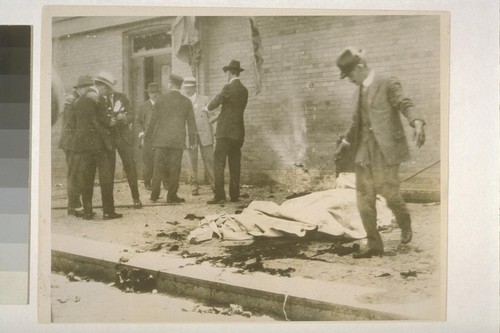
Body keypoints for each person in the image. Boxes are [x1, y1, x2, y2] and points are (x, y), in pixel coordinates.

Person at [334, 47, 426, 259]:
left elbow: (405, 103)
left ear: (360, 68)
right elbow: (357, 122)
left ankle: (405, 222)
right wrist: (346, 142)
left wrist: (417, 122)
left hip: (386, 151)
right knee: (363, 200)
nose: (348, 80)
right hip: (363, 153)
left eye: (349, 75)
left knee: (390, 195)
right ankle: (374, 245)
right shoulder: (357, 92)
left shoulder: (387, 82)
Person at [72, 79, 122, 220]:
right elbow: (103, 120)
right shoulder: (97, 98)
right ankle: (108, 212)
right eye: (107, 90)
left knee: (86, 179)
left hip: (83, 146)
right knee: (106, 179)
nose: (107, 93)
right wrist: (111, 122)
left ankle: (88, 212)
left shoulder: (78, 100)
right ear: (101, 86)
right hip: (99, 145)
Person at [144, 74, 197, 204]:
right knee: (175, 168)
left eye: (168, 83)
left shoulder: (161, 100)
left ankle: (154, 195)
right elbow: (191, 123)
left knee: (158, 168)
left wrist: (148, 138)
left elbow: (152, 121)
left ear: (171, 84)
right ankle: (172, 196)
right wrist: (193, 141)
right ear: (179, 86)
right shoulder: (186, 101)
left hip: (160, 141)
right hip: (177, 141)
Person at [94, 71, 142, 209]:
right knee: (109, 170)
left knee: (130, 167)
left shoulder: (122, 97)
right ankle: (110, 204)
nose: (105, 91)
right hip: (108, 140)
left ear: (109, 87)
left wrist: (124, 119)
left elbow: (132, 114)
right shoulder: (99, 99)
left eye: (105, 87)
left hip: (123, 138)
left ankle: (136, 197)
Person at [204, 60, 249, 204]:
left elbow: (215, 102)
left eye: (226, 74)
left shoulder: (228, 87)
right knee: (235, 164)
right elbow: (232, 110)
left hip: (224, 133)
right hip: (238, 133)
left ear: (229, 73)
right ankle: (234, 195)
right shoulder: (244, 90)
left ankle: (219, 195)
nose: (226, 76)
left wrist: (207, 108)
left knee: (219, 163)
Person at [58, 75, 93, 217]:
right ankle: (74, 206)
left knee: (77, 174)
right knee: (74, 175)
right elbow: (70, 125)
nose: (88, 91)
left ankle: (73, 205)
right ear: (81, 88)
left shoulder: (77, 99)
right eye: (86, 88)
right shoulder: (71, 100)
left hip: (75, 143)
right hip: (71, 144)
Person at [182, 76, 215, 196]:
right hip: (190, 135)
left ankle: (214, 184)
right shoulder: (183, 101)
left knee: (209, 159)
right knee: (191, 161)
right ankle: (194, 185)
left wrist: (212, 129)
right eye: (185, 88)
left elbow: (213, 116)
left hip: (205, 134)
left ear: (195, 87)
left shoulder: (205, 99)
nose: (187, 91)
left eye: (189, 88)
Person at [135, 82, 167, 191]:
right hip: (147, 138)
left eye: (156, 92)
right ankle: (147, 182)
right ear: (149, 94)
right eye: (152, 93)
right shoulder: (143, 106)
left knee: (163, 160)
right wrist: (141, 134)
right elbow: (137, 122)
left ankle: (165, 182)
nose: (154, 95)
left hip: (161, 137)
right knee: (148, 161)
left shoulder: (164, 105)